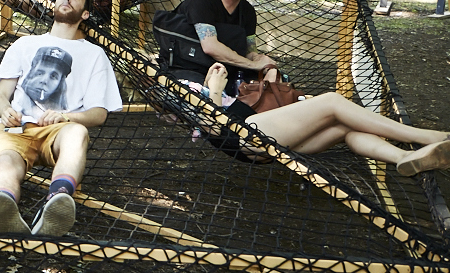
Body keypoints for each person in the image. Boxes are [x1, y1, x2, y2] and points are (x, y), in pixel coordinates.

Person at [0, 0, 123, 236]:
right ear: (54, 4)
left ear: (85, 13)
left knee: (77, 133)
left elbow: (99, 114)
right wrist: (5, 110)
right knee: (6, 163)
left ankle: (57, 203)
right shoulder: (24, 44)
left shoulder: (95, 54)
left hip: (59, 131)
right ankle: (4, 204)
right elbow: (0, 95)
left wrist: (65, 117)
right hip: (17, 128)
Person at [185, 63, 450, 174]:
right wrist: (215, 90)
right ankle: (427, 136)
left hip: (266, 140)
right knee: (332, 100)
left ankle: (403, 157)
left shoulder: (207, 86)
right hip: (247, 137)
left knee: (344, 127)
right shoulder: (183, 90)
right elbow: (214, 129)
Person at [167, 0, 279, 85]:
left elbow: (250, 51)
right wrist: (253, 65)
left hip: (227, 68)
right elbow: (210, 46)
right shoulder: (202, 0)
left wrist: (264, 62)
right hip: (188, 66)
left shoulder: (247, 10)